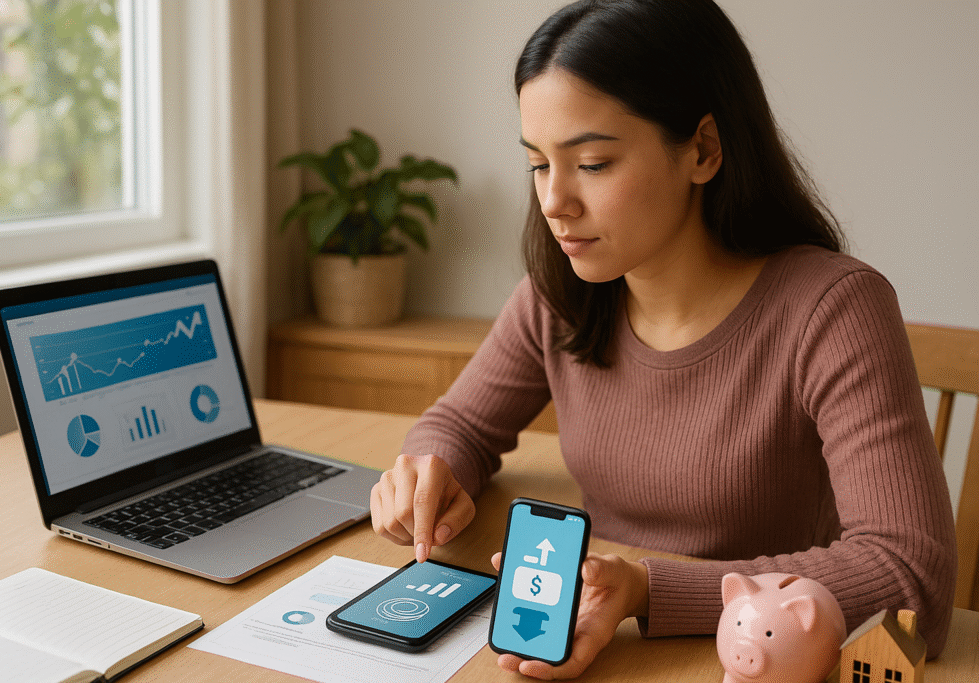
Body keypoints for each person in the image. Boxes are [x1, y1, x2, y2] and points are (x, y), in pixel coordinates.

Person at [369, 0, 957, 678]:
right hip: (604, 644)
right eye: (538, 163)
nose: (554, 202)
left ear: (703, 150)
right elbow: (462, 424)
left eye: (593, 163)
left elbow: (911, 576)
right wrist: (430, 471)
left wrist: (649, 588)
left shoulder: (834, 309)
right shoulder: (558, 296)